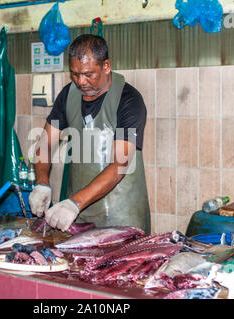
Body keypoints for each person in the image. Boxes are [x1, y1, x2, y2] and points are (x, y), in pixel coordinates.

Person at [28, 34, 150, 234]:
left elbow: (120, 164)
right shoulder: (68, 96)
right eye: (75, 74)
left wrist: (73, 204)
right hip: (78, 216)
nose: (81, 81)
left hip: (122, 219)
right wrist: (42, 183)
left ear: (106, 66)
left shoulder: (129, 100)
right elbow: (45, 145)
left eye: (88, 74)